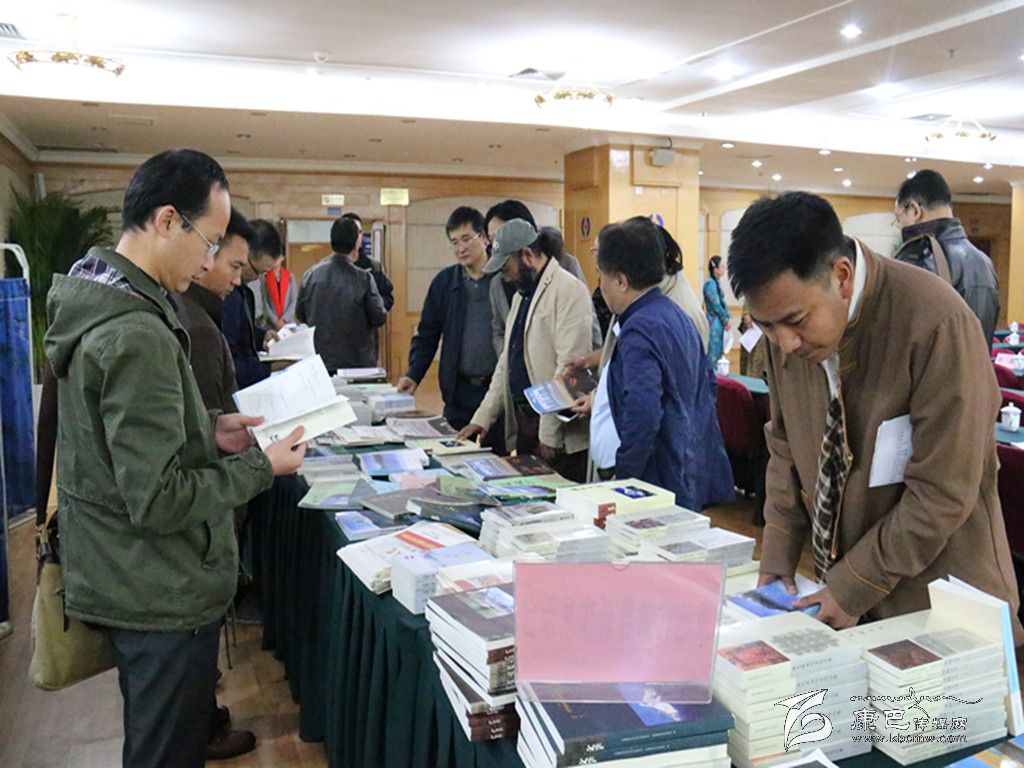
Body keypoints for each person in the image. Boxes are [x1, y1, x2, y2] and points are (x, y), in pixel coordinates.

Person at [44, 148, 306, 768]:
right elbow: (158, 498)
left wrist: (207, 430)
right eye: (208, 242)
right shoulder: (134, 331)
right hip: (157, 589)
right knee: (165, 752)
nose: (211, 262)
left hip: (128, 571)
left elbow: (116, 443)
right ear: (167, 221)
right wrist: (262, 466)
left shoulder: (105, 295)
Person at [726, 190, 1022, 638]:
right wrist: (778, 559)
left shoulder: (936, 323)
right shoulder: (787, 334)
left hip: (943, 609)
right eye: (767, 326)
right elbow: (785, 448)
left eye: (796, 321)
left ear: (842, 276)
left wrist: (853, 586)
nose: (784, 342)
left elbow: (942, 492)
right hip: (851, 602)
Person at [585, 217, 733, 510]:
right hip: (680, 471)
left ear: (621, 281)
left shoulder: (640, 328)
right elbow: (708, 386)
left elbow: (643, 412)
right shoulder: (673, 314)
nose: (601, 287)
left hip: (651, 483)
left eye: (602, 277)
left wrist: (624, 478)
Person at [457, 219, 594, 481]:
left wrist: (549, 433)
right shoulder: (522, 295)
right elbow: (507, 363)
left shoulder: (569, 290)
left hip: (557, 433)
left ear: (527, 255)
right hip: (525, 423)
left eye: (506, 268)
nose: (504, 277)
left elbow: (568, 368)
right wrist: (482, 418)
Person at [397, 206, 505, 452]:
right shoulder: (444, 283)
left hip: (496, 392)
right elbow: (427, 335)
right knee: (454, 457)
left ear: (485, 238)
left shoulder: (503, 281)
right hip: (458, 393)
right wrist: (414, 374)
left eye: (466, 239)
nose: (460, 248)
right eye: (454, 242)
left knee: (496, 460)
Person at [893, 169, 999, 344]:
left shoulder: (915, 260)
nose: (900, 226)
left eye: (898, 218)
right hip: (980, 362)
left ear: (914, 210)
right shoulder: (985, 262)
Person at [483, 200, 597, 354]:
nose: (496, 244)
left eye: (501, 235)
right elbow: (499, 330)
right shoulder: (508, 289)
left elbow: (587, 327)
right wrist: (509, 356)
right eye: (492, 240)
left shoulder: (566, 272)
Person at [297, 216, 387, 372]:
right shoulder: (364, 278)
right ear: (357, 242)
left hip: (321, 361)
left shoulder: (310, 275)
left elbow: (301, 314)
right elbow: (379, 317)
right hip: (358, 363)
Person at [221, 218, 280, 388]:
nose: (257, 278)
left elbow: (242, 330)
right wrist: (269, 368)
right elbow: (230, 363)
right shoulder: (225, 294)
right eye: (257, 272)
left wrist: (262, 336)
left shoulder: (244, 292)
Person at [341, 211, 394, 311]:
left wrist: (372, 304)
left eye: (358, 232)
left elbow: (388, 299)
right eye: (350, 231)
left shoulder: (374, 266)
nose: (355, 236)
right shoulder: (327, 270)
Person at [249, 220, 296, 330]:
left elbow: (293, 302)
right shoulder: (264, 277)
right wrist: (275, 321)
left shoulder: (290, 277)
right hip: (270, 324)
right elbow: (264, 302)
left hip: (287, 323)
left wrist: (284, 319)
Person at [703, 255, 731, 364]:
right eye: (722, 266)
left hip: (718, 322)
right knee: (713, 353)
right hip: (713, 322)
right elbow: (716, 305)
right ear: (715, 269)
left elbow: (722, 303)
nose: (724, 268)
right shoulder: (710, 284)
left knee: (719, 353)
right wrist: (726, 320)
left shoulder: (716, 283)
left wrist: (728, 317)